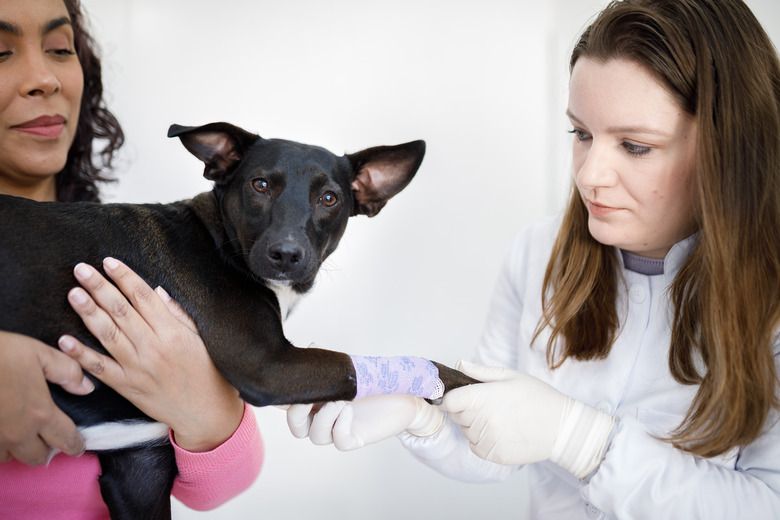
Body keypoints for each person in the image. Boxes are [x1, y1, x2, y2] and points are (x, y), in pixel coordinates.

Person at [284, 0, 780, 517]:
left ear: (729, 147)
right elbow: (499, 449)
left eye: (634, 146)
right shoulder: (538, 254)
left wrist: (581, 440)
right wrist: (418, 416)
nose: (589, 175)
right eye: (581, 134)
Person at [0, 0, 263, 517]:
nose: (43, 79)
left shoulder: (126, 252)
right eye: (0, 52)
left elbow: (220, 484)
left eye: (59, 49)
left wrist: (206, 408)